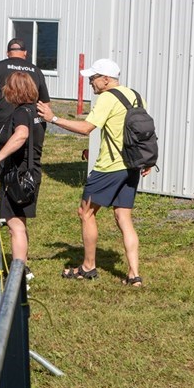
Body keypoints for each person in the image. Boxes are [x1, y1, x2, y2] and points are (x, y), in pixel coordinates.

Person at [37, 58, 152, 287]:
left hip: (109, 167)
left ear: (106, 79)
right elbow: (140, 131)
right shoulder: (135, 96)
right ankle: (134, 275)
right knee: (123, 217)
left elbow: (86, 128)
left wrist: (53, 118)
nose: (91, 83)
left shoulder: (107, 98)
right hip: (132, 166)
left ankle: (88, 267)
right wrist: (146, 159)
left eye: (93, 78)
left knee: (85, 212)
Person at [0, 72, 46, 266]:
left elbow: (21, 135)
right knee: (21, 221)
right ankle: (23, 263)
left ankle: (20, 271)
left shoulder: (20, 113)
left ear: (14, 91)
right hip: (32, 172)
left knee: (14, 225)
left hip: (18, 176)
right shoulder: (36, 111)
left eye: (7, 87)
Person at [0, 38, 50, 146]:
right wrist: (40, 122)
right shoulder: (36, 70)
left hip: (3, 120)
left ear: (7, 53)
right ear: (25, 53)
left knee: (4, 155)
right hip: (28, 120)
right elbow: (45, 103)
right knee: (26, 156)